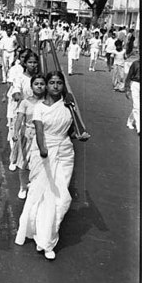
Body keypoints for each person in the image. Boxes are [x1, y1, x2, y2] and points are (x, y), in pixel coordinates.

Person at [15, 71, 88, 260]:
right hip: (45, 152)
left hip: (65, 152)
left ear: (63, 86)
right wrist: (43, 150)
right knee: (42, 195)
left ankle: (46, 235)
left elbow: (72, 131)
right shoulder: (39, 107)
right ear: (46, 86)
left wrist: (80, 136)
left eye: (59, 83)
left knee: (61, 199)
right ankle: (45, 241)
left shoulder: (68, 106)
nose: (55, 86)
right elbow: (39, 131)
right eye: (52, 83)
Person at [12, 74, 46, 199]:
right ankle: (23, 186)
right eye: (36, 84)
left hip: (42, 135)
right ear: (31, 86)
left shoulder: (47, 102)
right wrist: (15, 132)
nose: (39, 86)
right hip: (27, 134)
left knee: (40, 163)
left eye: (42, 84)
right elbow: (19, 118)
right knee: (24, 163)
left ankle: (36, 186)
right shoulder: (25, 102)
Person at [125, 56, 140, 135]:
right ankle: (139, 128)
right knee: (137, 106)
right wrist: (127, 89)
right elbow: (129, 76)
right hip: (136, 84)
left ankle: (130, 121)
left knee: (137, 107)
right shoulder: (135, 63)